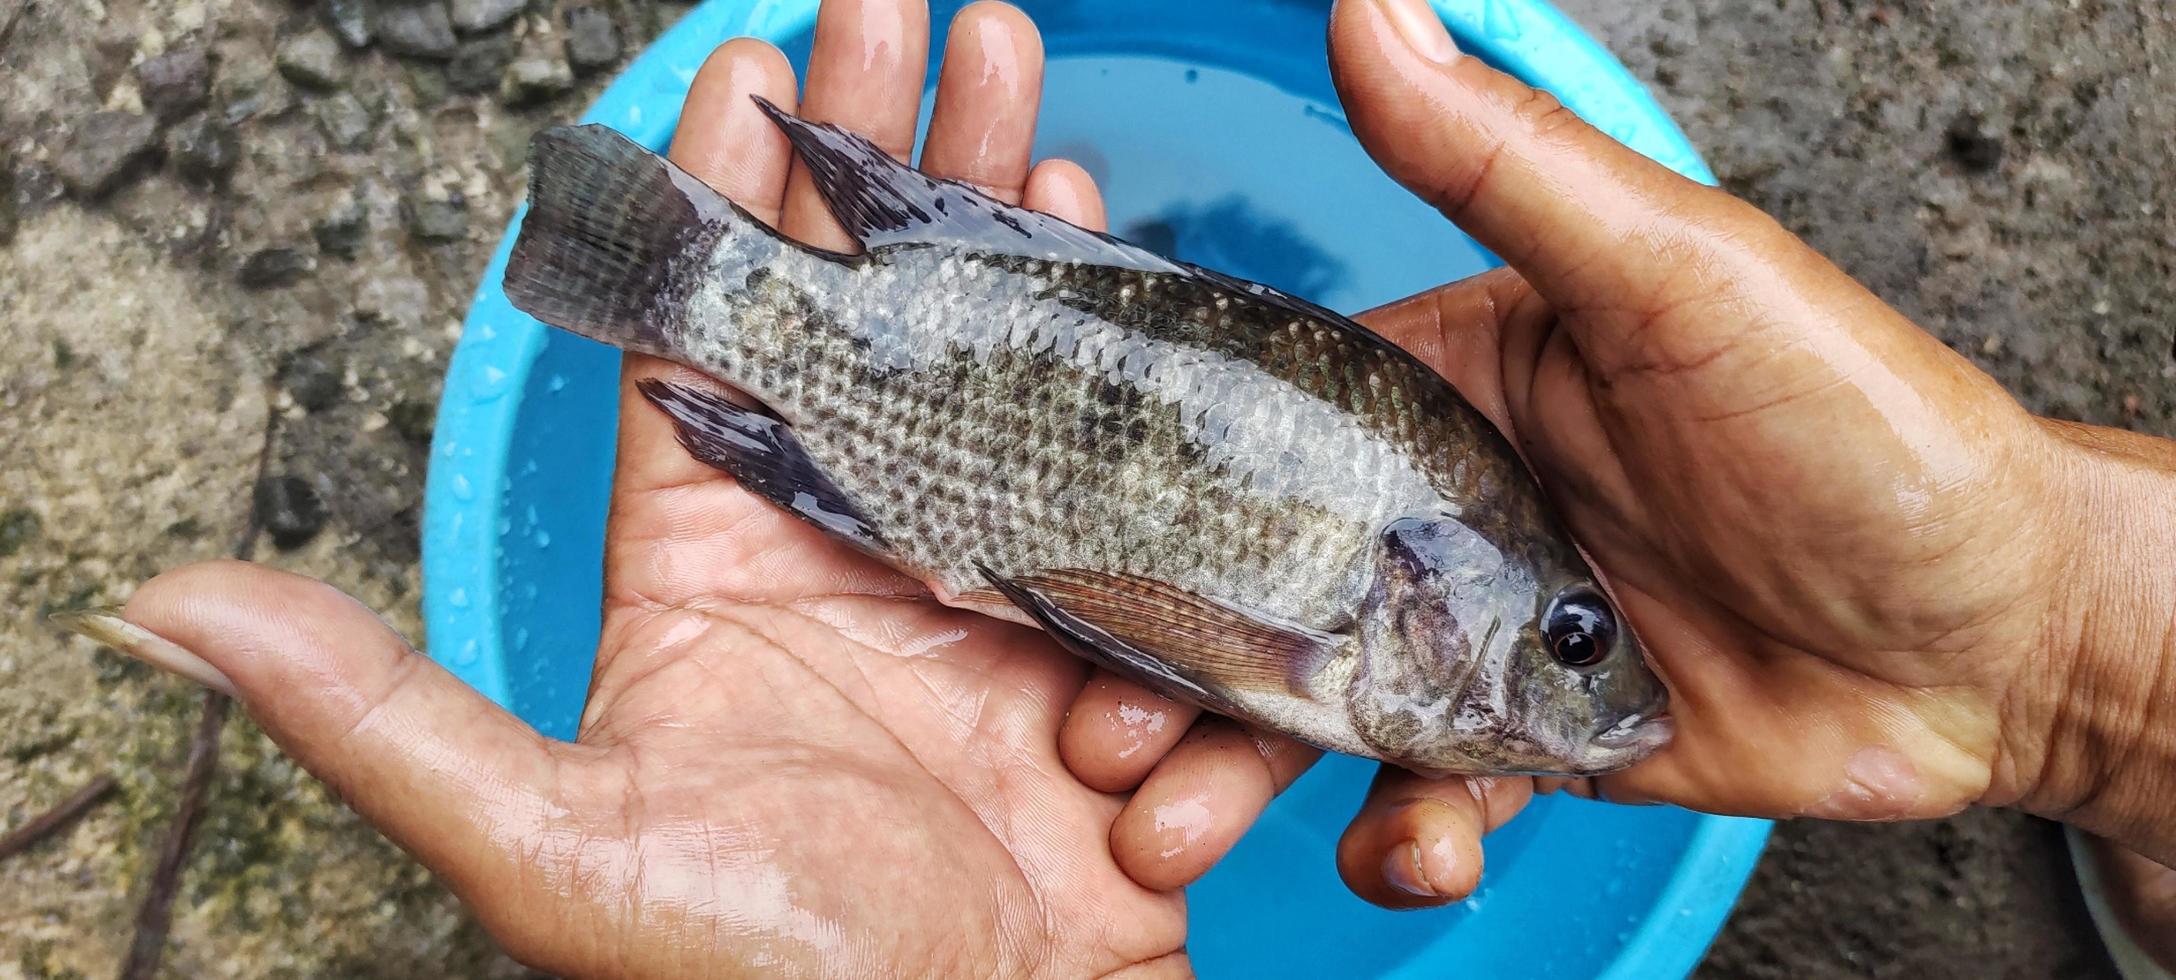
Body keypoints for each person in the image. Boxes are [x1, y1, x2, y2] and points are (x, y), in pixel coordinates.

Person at [53, 0, 2175, 975]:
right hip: (927, 357)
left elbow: (1109, 593)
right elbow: (1122, 596)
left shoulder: (1403, 615)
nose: (1607, 695)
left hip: (940, 351)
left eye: (1571, 644)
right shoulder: (1344, 634)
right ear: (1441, 592)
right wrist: (2076, 646)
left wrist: (2084, 639)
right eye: (1568, 637)